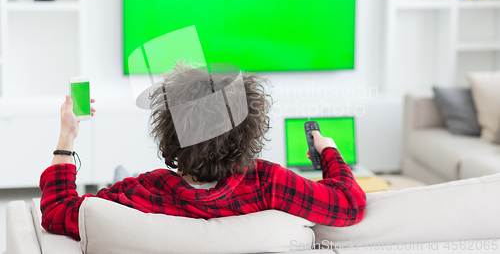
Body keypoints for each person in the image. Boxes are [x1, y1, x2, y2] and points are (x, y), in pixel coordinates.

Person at [40, 64, 366, 241]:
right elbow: (350, 203)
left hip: (140, 192)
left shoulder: (140, 191)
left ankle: (116, 172)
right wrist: (328, 151)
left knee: (117, 179)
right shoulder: (270, 182)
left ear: (169, 134)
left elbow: (57, 210)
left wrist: (66, 136)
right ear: (249, 131)